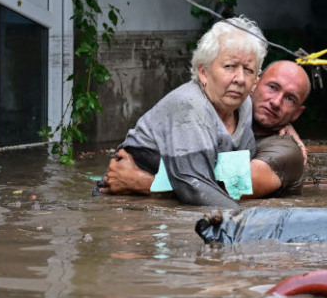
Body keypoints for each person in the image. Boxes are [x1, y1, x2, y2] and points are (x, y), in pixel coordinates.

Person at [106, 16, 267, 209]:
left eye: (248, 70)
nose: (240, 78)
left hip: (162, 200)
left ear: (255, 81)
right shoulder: (189, 105)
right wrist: (251, 221)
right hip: (127, 207)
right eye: (229, 66)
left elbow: (231, 184)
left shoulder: (245, 106)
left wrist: (286, 128)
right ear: (203, 72)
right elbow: (195, 188)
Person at [102, 59, 312, 199]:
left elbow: (230, 188)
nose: (276, 102)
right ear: (253, 85)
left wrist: (142, 183)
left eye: (290, 99)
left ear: (297, 113)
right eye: (272, 87)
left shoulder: (287, 151)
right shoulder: (223, 114)